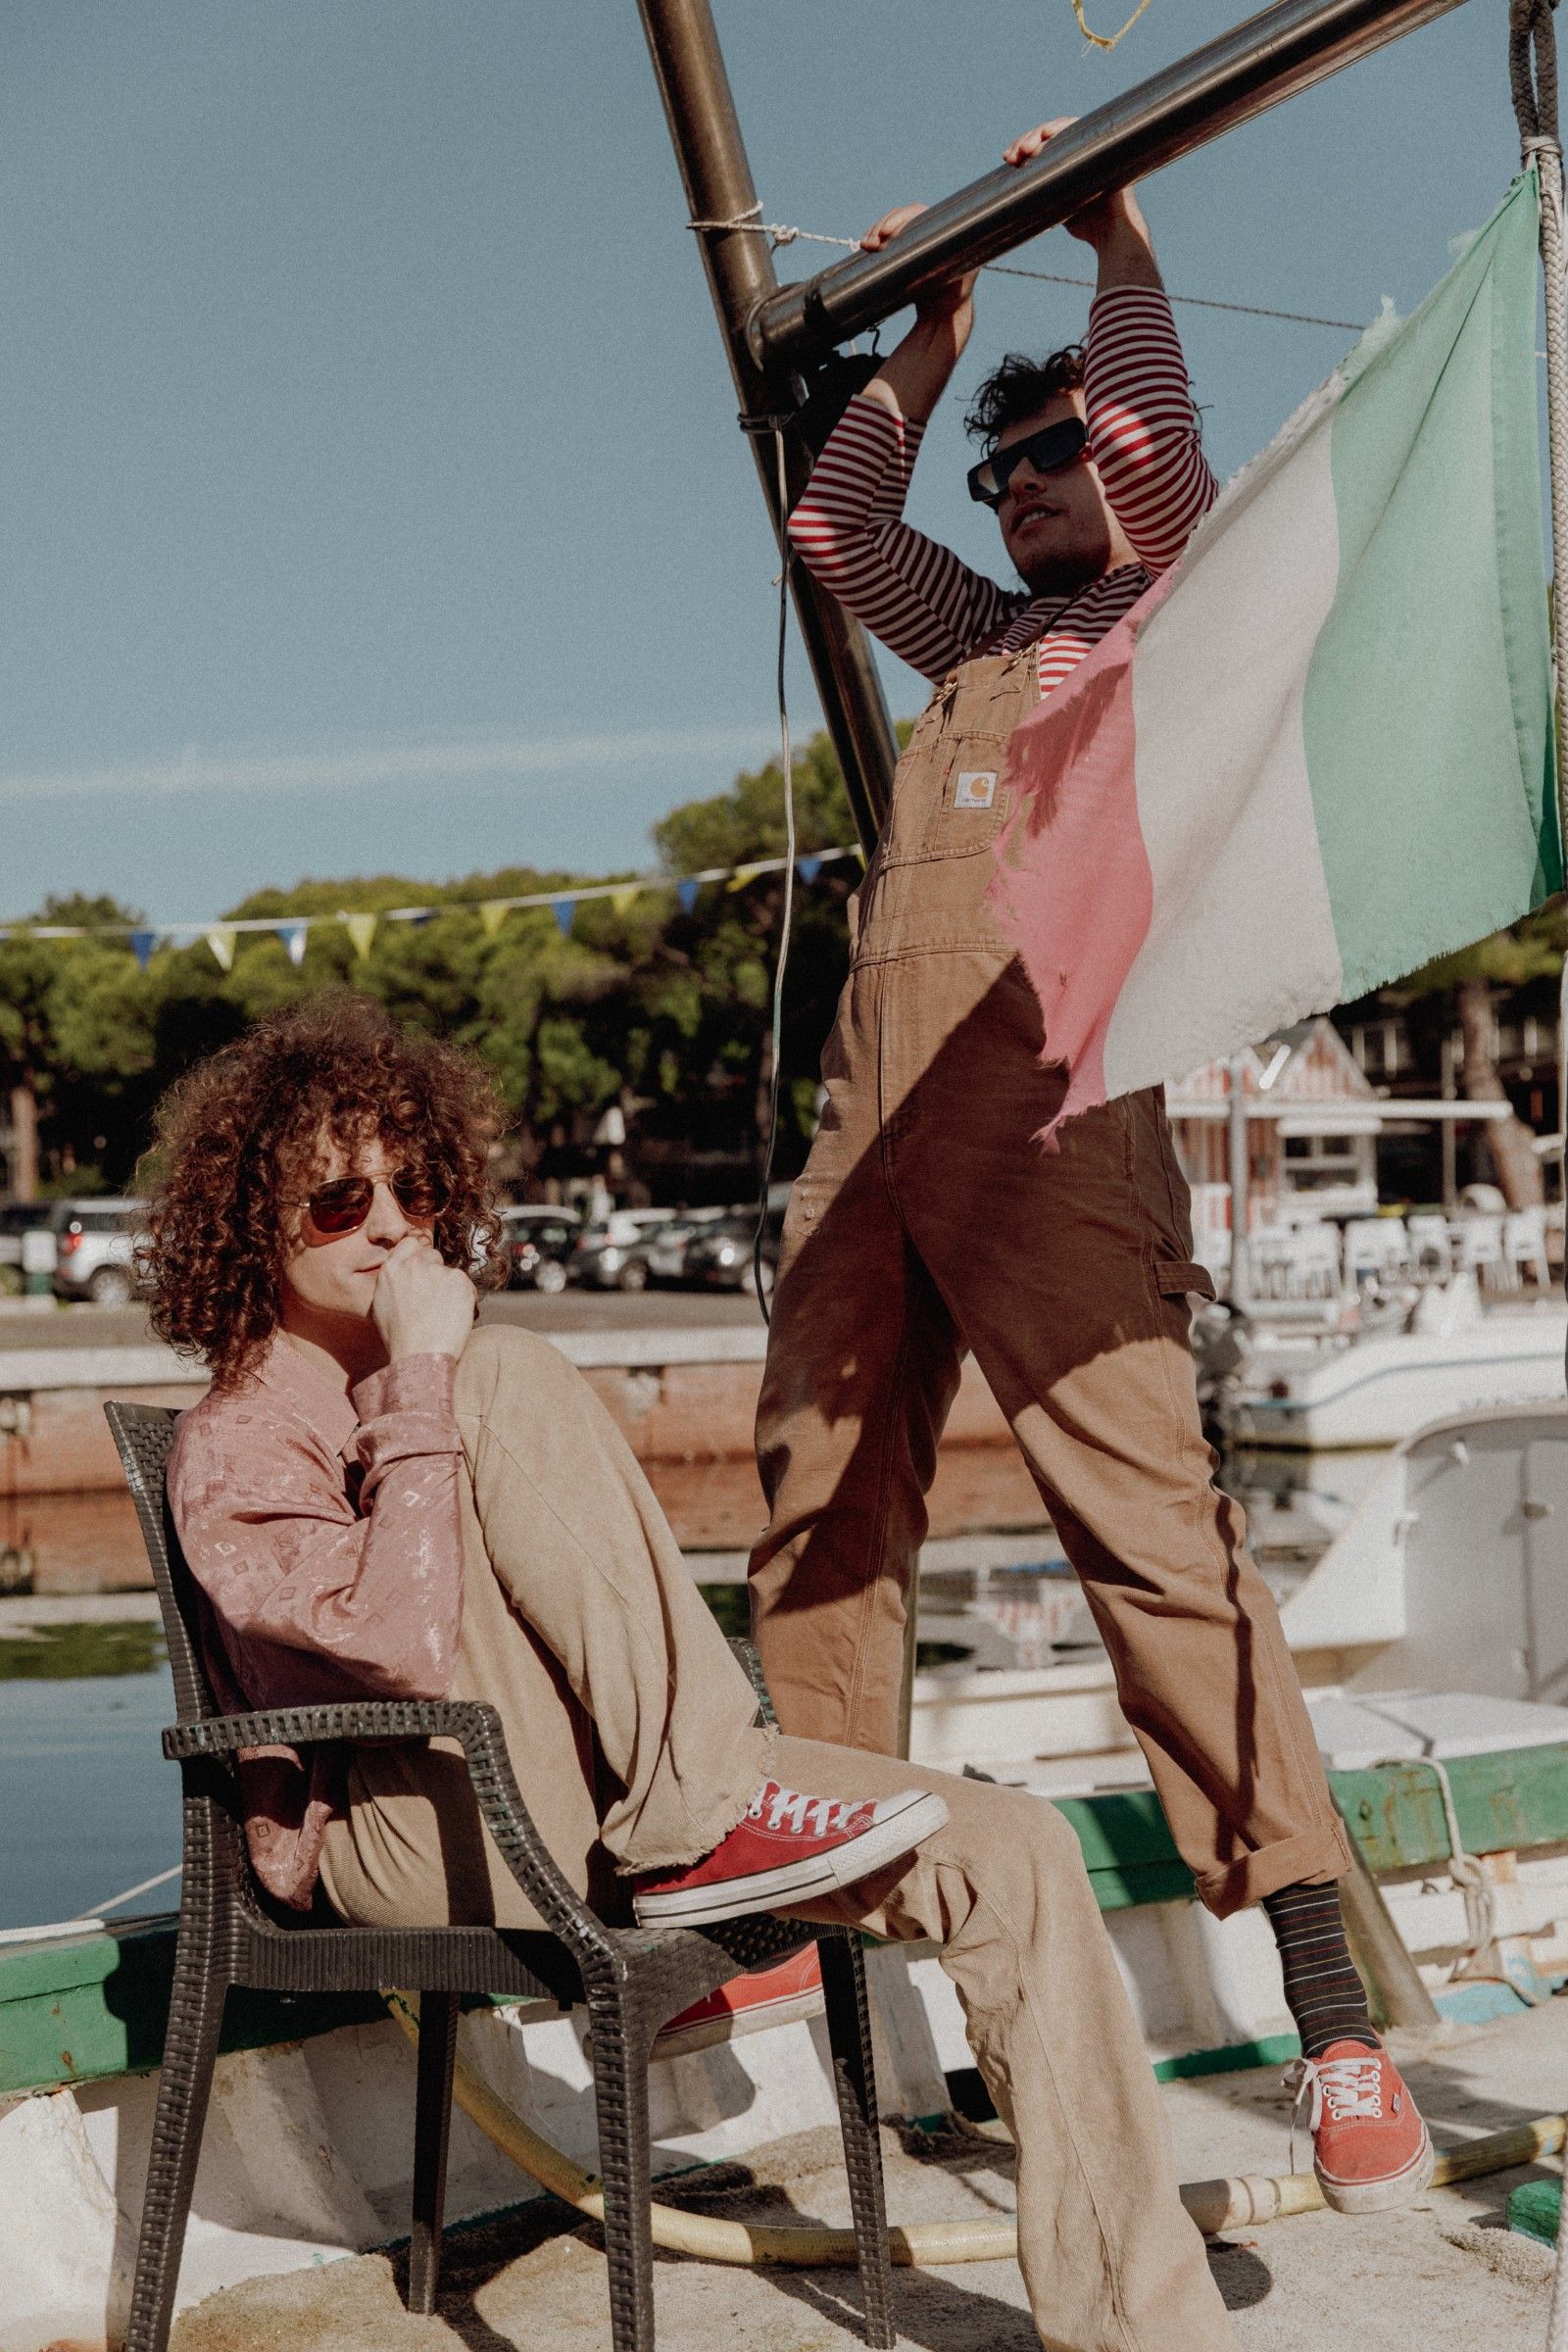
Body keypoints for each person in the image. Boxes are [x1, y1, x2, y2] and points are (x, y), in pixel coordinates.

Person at [141, 993, 1237, 2352]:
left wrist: (423, 1383)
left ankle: (1143, 2329)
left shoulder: (439, 1379)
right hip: (410, 1821)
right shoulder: (237, 1440)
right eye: (338, 1202)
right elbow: (406, 1644)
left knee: (1016, 1851)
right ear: (255, 1223)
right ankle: (708, 1811)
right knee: (502, 1375)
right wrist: (422, 1380)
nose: (390, 1230)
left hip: (609, 1799)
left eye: (415, 1195)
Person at [751, 117, 1431, 2215]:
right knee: (817, 1510)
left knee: (1157, 1552)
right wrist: (935, 328)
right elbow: (829, 521)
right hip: (874, 1118)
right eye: (1005, 469)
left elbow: (1148, 442)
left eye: (1052, 456)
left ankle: (1329, 2024)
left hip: (1056, 1108)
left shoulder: (1170, 614)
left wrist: (1112, 231)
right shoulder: (970, 637)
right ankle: (812, 1932)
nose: (1031, 481)